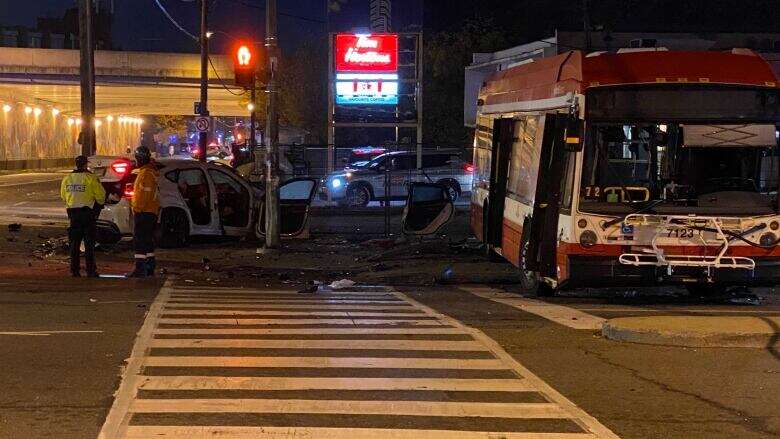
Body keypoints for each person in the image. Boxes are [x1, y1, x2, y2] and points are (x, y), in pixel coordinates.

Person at [60, 155, 106, 277]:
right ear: (86, 164)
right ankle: (90, 270)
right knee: (89, 244)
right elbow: (101, 196)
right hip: (87, 214)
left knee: (74, 244)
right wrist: (99, 205)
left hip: (73, 215)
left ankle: (74, 270)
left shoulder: (67, 178)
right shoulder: (90, 178)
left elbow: (63, 196)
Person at [128, 146, 160, 277]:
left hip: (144, 212)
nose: (136, 161)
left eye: (137, 158)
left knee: (140, 240)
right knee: (147, 241)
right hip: (150, 211)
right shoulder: (149, 172)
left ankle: (140, 268)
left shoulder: (146, 174)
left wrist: (137, 209)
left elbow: (144, 195)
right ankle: (149, 266)